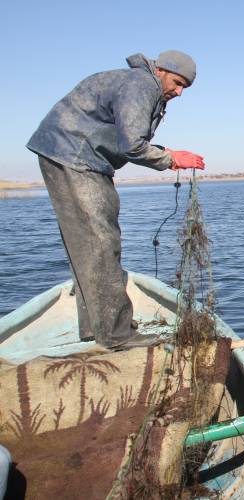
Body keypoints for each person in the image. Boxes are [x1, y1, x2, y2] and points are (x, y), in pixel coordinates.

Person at [26, 50, 205, 350]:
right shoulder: (142, 84)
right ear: (161, 71)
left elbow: (128, 140)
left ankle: (97, 328)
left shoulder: (141, 84)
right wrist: (171, 157)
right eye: (177, 82)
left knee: (88, 243)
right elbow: (132, 145)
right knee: (100, 241)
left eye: (185, 86)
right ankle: (116, 334)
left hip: (75, 157)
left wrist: (167, 156)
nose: (179, 91)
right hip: (75, 157)